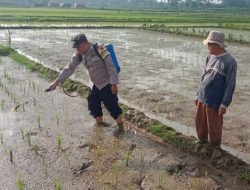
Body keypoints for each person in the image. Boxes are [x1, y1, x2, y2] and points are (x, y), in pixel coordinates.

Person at [49, 33, 124, 136]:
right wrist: (56, 82)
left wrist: (114, 84)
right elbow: (69, 68)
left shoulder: (100, 49)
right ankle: (100, 124)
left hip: (106, 83)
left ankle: (121, 129)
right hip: (93, 85)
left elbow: (111, 68)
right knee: (93, 105)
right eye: (76, 48)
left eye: (78, 47)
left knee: (113, 107)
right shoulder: (79, 54)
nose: (77, 50)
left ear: (85, 44)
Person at [195, 31, 237, 159]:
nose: (208, 47)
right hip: (203, 96)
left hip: (215, 100)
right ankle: (202, 140)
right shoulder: (209, 57)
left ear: (218, 45)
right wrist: (197, 95)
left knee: (214, 125)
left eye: (210, 45)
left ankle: (215, 147)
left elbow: (230, 84)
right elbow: (203, 77)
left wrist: (224, 103)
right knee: (200, 121)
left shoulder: (229, 61)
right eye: (208, 44)